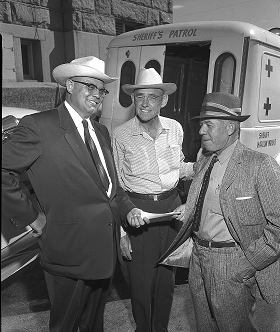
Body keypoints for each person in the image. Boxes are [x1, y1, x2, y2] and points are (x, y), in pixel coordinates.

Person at [1, 56, 146, 332]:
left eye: (101, 90)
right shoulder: (39, 126)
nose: (97, 95)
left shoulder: (101, 131)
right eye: (90, 86)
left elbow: (109, 190)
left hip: (104, 254)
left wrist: (127, 209)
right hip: (66, 254)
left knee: (94, 326)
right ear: (69, 85)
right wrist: (31, 216)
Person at [158, 92, 280, 332]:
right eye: (202, 124)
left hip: (232, 262)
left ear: (231, 127)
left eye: (209, 125)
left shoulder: (260, 165)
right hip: (199, 260)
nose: (202, 131)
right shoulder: (205, 160)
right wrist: (191, 208)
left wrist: (248, 263)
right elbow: (211, 199)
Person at [111, 68, 194, 332]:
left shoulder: (175, 129)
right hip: (138, 214)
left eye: (153, 97)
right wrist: (123, 231)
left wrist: (203, 165)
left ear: (163, 100)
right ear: (133, 99)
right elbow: (116, 187)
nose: (145, 103)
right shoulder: (121, 134)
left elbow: (177, 168)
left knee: (166, 283)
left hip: (170, 211)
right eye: (140, 96)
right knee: (141, 285)